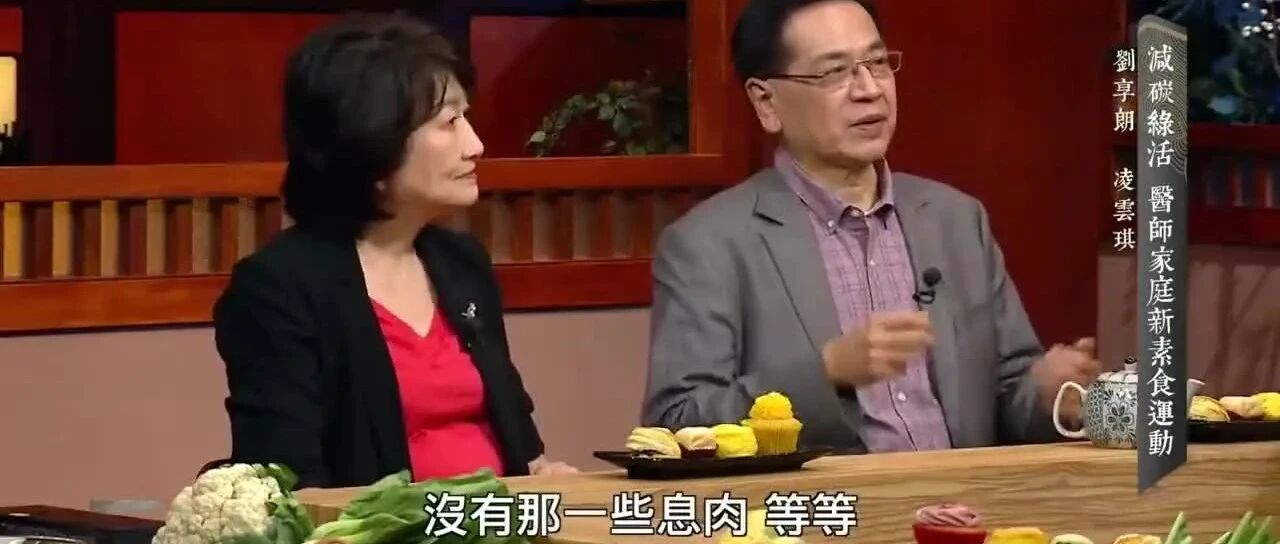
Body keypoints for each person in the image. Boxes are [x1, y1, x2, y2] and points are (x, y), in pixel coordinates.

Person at [641, 0, 1102, 453]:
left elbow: (1007, 395)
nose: (869, 90)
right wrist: (826, 371)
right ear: (767, 102)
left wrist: (1048, 395)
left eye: (877, 63)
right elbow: (678, 420)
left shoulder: (956, 220)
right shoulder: (709, 244)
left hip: (966, 499)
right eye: (834, 72)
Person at [212, 13, 576, 489]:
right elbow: (289, 484)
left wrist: (544, 474)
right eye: (449, 122)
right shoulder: (279, 288)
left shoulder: (462, 263)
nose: (475, 145)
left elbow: (520, 442)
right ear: (372, 142)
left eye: (467, 117)